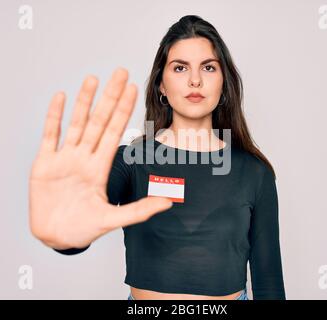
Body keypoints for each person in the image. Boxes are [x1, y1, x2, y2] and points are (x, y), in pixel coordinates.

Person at [29, 15, 286, 300]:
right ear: (161, 85)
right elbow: (79, 224)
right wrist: (66, 230)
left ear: (224, 83)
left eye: (209, 67)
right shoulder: (130, 161)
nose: (195, 80)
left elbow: (269, 281)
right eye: (180, 68)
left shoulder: (254, 172)